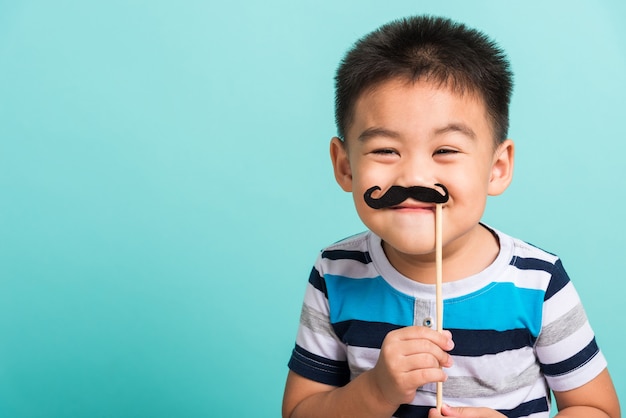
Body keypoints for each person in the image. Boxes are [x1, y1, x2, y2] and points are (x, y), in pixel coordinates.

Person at [282, 15, 620, 418]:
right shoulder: (336, 273)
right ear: (345, 168)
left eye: (445, 150)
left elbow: (597, 409)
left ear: (497, 167)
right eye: (386, 151)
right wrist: (376, 390)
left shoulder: (537, 282)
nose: (414, 177)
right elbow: (299, 412)